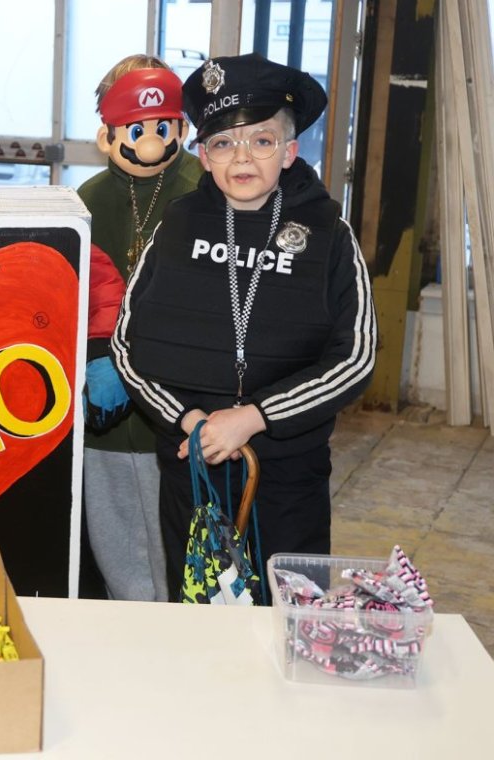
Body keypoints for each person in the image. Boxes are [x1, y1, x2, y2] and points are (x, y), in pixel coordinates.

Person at [112, 53, 378, 602]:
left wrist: (255, 417)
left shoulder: (330, 234)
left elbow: (355, 358)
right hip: (194, 469)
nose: (242, 157)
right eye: (223, 142)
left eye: (261, 140)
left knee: (289, 617)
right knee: (199, 621)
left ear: (289, 151)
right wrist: (189, 421)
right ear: (203, 156)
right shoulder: (176, 226)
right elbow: (127, 346)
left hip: (289, 478)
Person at [78, 56, 203, 602]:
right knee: (116, 554)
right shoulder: (86, 201)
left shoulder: (204, 192)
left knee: (179, 556)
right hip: (103, 421)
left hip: (177, 416)